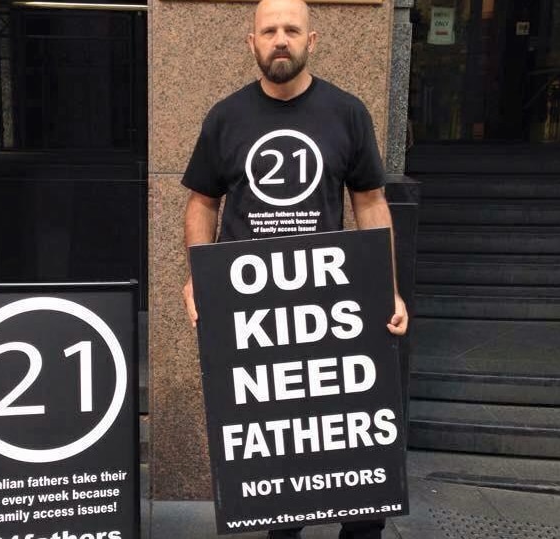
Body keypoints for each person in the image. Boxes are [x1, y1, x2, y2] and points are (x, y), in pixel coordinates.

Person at [180, 0, 408, 537]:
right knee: (276, 454)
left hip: (330, 305)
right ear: (251, 42)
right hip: (253, 309)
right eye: (269, 31)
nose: (280, 40)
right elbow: (201, 203)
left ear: (313, 40)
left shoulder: (347, 112)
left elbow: (371, 202)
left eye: (291, 30)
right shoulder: (226, 116)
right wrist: (199, 278)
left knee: (353, 438)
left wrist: (387, 290)